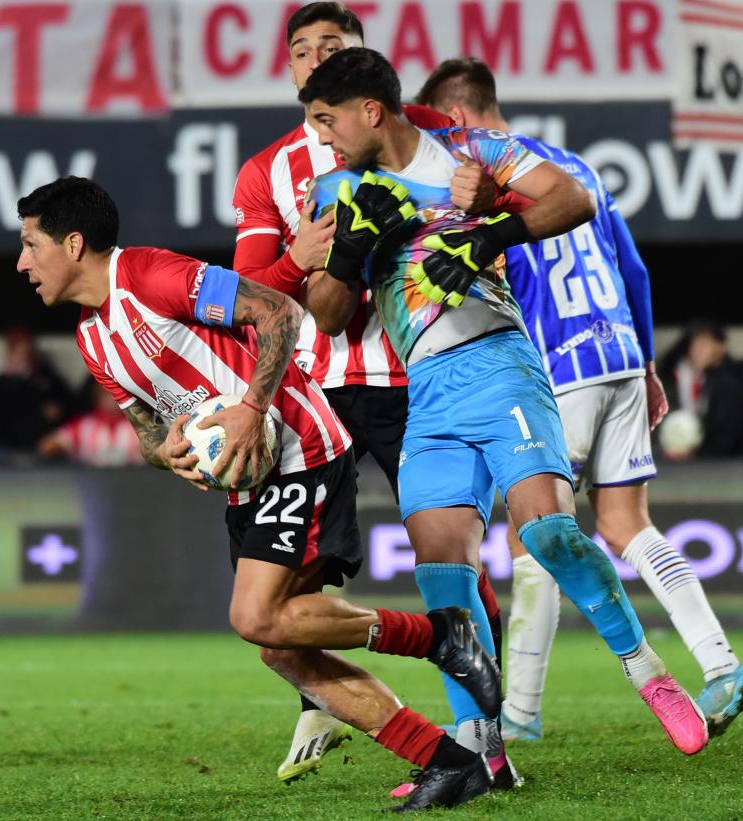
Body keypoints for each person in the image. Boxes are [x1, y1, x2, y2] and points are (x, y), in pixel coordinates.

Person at [16, 175, 503, 812]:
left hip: (300, 451)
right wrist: (162, 451)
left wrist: (251, 406)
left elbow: (279, 312)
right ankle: (449, 761)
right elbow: (145, 429)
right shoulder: (91, 334)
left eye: (30, 244)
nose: (22, 262)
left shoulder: (154, 276)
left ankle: (440, 637)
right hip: (251, 480)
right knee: (282, 649)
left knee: (254, 618)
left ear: (73, 243)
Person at [299, 48, 709, 782]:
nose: (321, 137)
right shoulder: (335, 188)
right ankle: (484, 750)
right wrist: (349, 260)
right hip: (426, 391)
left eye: (327, 121)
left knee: (550, 533)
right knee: (444, 576)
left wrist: (490, 232)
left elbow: (572, 197)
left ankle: (648, 671)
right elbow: (326, 316)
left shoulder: (470, 153)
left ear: (370, 110)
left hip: (501, 368)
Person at [415, 58, 743, 741]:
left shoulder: (486, 180)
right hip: (621, 356)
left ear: (454, 118)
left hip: (558, 365)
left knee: (528, 530)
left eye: (436, 127)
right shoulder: (578, 169)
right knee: (628, 523)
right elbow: (632, 266)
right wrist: (649, 365)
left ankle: (518, 711)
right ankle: (722, 664)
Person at [230, 1, 505, 783]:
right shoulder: (268, 171)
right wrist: (304, 255)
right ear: (288, 68)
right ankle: (323, 701)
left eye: (333, 48)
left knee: (449, 560)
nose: (316, 60)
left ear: (364, 68)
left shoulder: (426, 133)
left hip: (422, 380)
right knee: (286, 591)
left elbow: (496, 197)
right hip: (316, 396)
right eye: (303, 50)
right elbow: (252, 292)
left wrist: (481, 196)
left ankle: (485, 740)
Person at [659, 321, 743, 459]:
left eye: (703, 344)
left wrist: (692, 455)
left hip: (732, 471)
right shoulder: (711, 380)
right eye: (694, 345)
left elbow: (725, 441)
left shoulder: (729, 385)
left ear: (721, 346)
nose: (696, 351)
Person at [0, 327, 75, 465]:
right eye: (18, 351)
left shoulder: (48, 379)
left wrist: (57, 411)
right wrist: (18, 455)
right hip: (8, 451)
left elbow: (69, 408)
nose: (23, 357)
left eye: (28, 353)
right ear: (9, 353)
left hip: (43, 449)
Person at [38, 379, 143, 467]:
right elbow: (48, 445)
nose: (111, 398)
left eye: (116, 393)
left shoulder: (142, 424)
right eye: (106, 393)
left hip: (133, 483)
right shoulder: (84, 425)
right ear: (97, 395)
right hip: (94, 483)